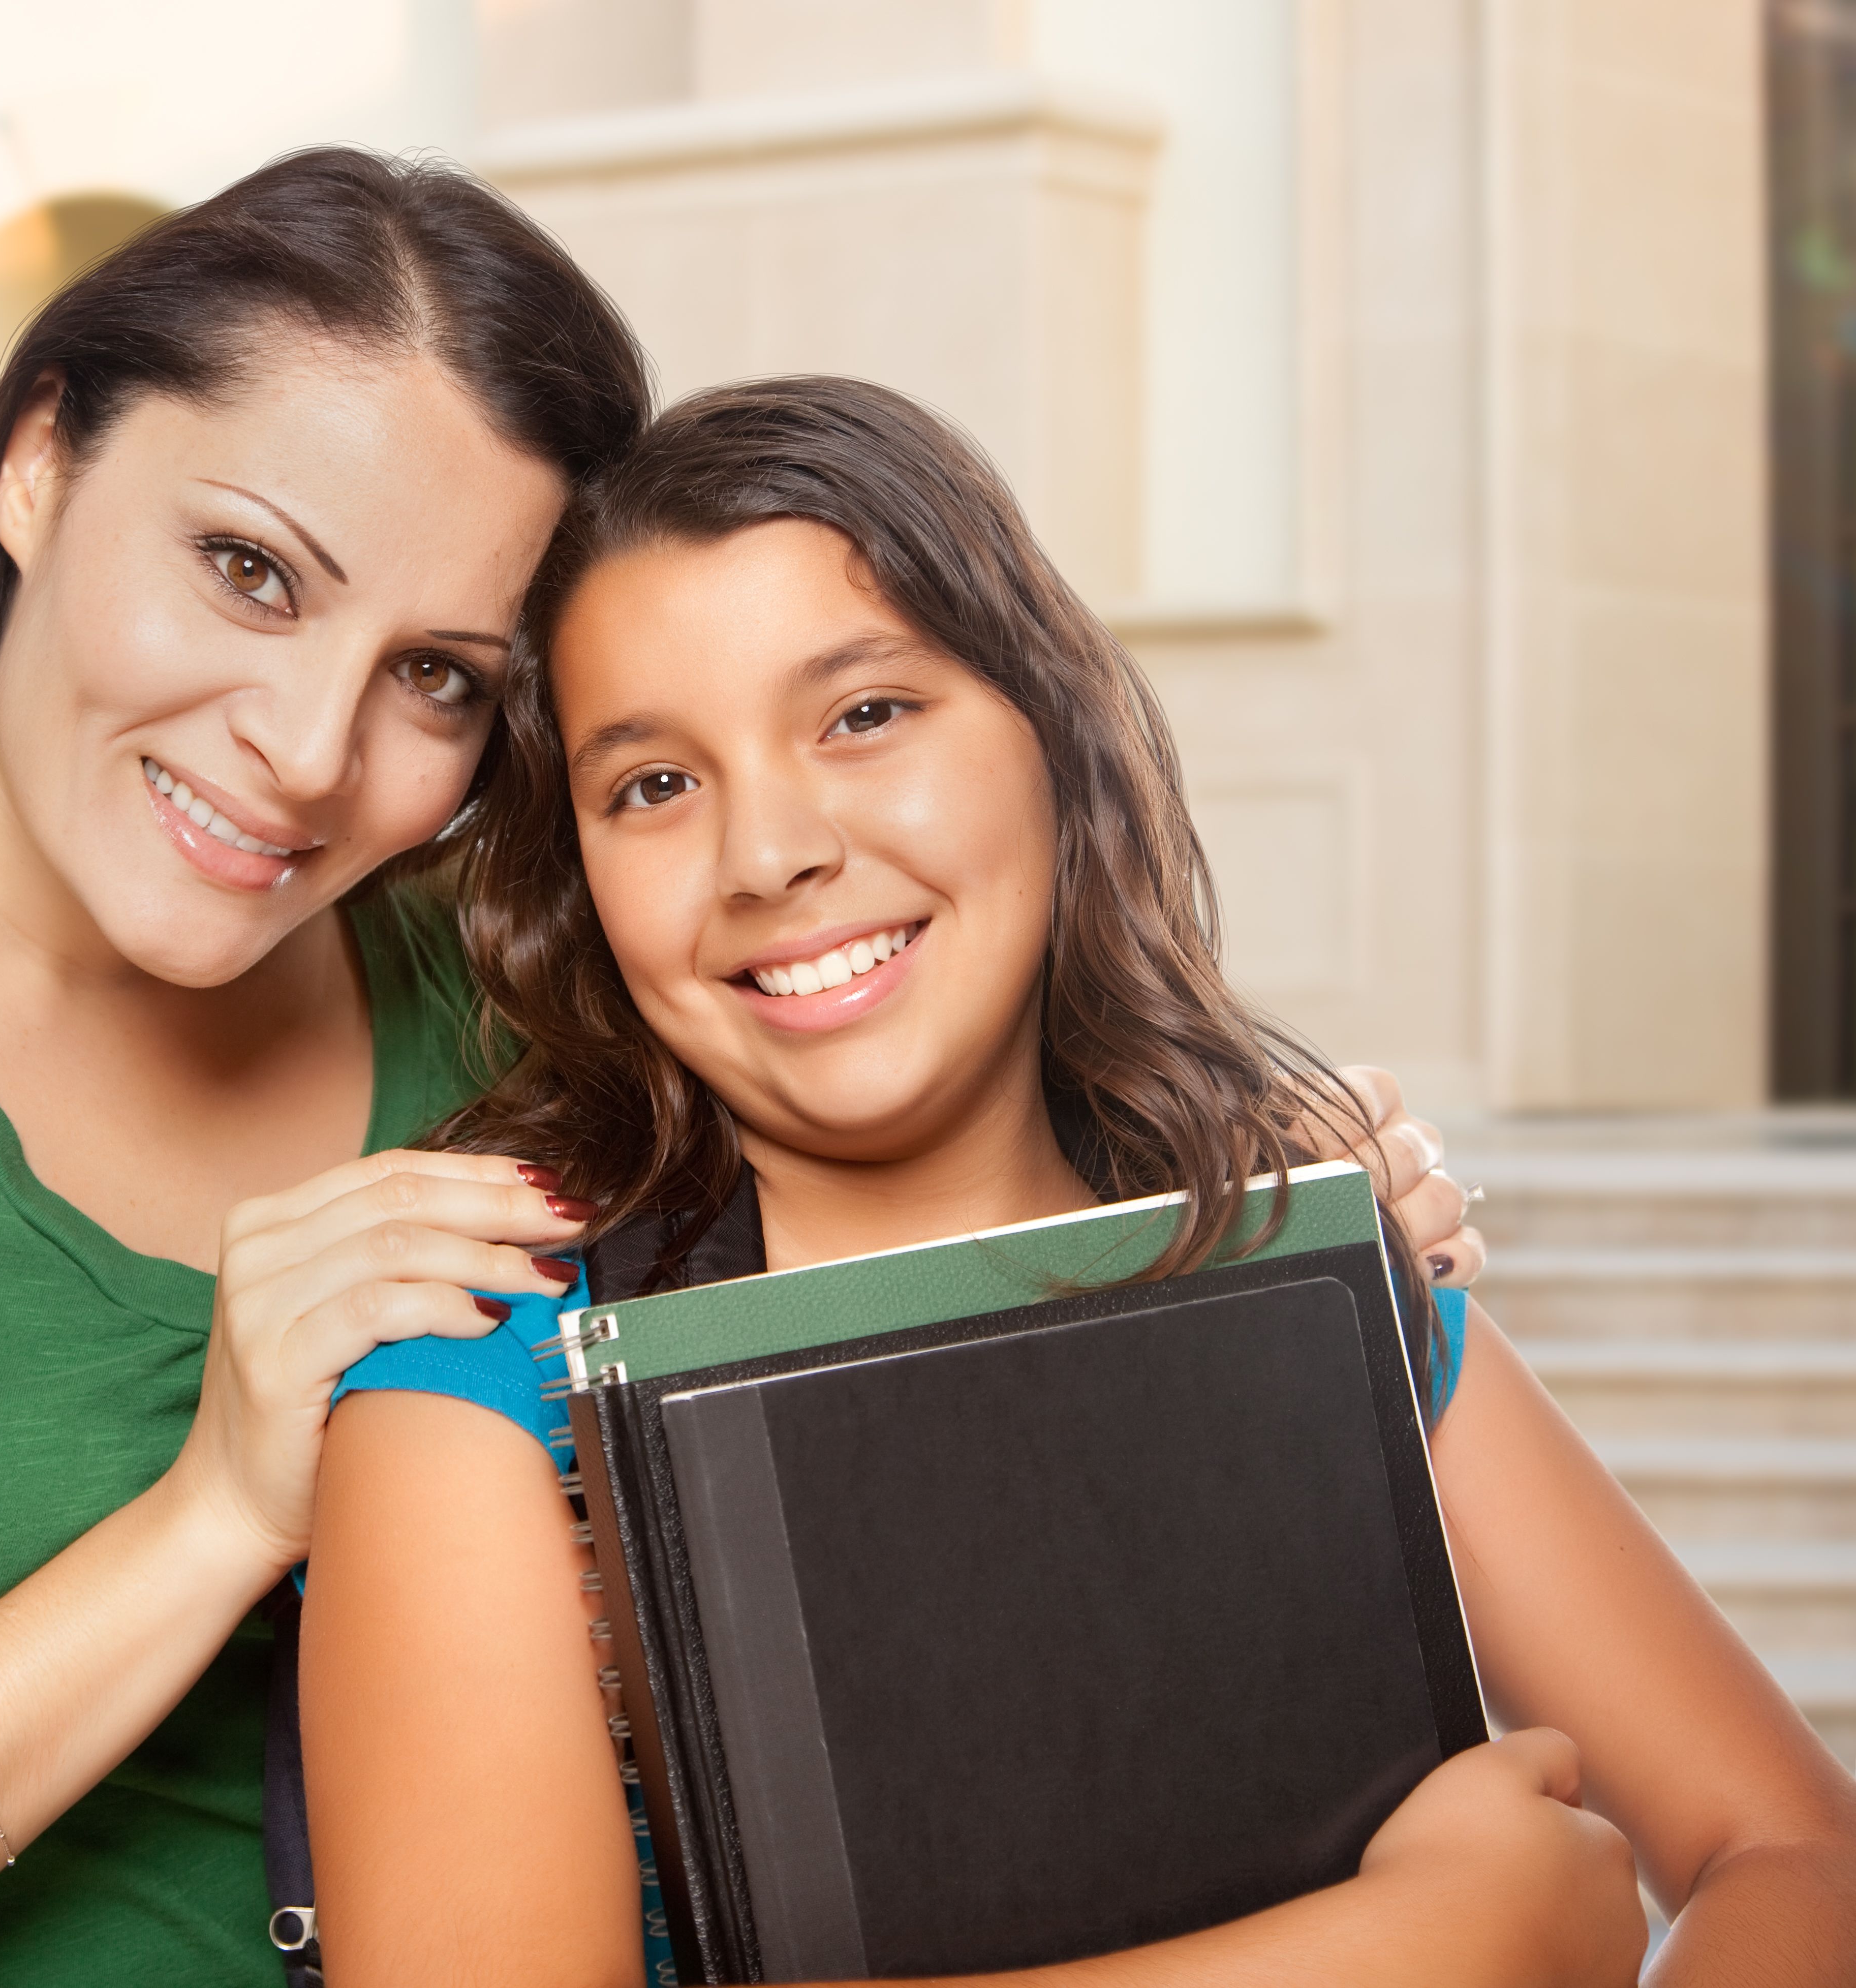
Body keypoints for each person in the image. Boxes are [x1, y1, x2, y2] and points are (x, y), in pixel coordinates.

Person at [0, 152, 1472, 1988]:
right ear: (33, 462)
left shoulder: (510, 1011)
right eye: (245, 570)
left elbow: (925, 1219)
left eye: (435, 679)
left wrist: (1256, 1203)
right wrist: (205, 1522)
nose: (300, 749)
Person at [302, 378, 1856, 1987]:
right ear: (582, 886)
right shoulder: (482, 1388)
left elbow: (1796, 1853)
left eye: (864, 714)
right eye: (653, 786)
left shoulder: (1317, 1270)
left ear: (1053, 738)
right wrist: (1423, 1949)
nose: (767, 854)